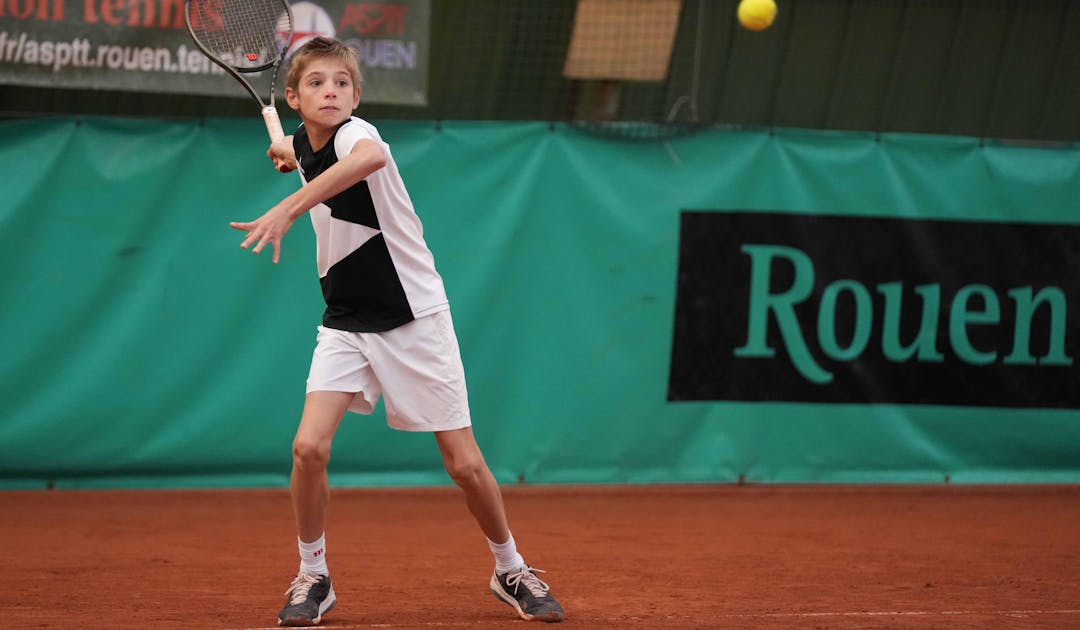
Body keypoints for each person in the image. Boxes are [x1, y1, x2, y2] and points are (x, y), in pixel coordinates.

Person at [228, 36, 565, 626]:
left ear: (356, 96)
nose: (329, 91)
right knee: (308, 447)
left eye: (341, 84)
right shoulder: (306, 144)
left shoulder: (359, 135)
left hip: (414, 315)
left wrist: (290, 205)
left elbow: (364, 162)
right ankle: (314, 574)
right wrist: (288, 151)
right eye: (315, 84)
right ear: (292, 96)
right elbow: (301, 153)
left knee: (463, 463)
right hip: (347, 320)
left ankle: (509, 566)